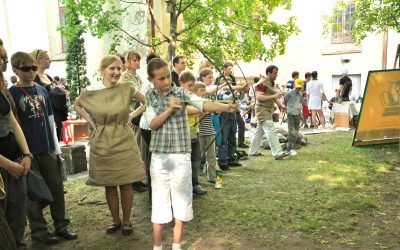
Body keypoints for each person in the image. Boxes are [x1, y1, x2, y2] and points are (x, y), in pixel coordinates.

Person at [145, 58, 238, 250]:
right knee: (160, 203)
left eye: (167, 78)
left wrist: (225, 106)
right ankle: (157, 246)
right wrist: (171, 108)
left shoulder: (181, 92)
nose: (166, 82)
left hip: (181, 156)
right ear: (151, 79)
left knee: (181, 201)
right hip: (159, 158)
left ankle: (176, 245)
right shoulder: (150, 96)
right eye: (160, 79)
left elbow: (203, 104)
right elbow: (153, 123)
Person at [74, 55, 146, 235]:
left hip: (124, 139)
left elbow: (147, 101)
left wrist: (131, 116)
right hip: (102, 141)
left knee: (126, 183)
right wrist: (91, 122)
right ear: (102, 70)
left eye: (119, 69)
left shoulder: (127, 88)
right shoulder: (90, 91)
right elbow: (76, 106)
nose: (116, 72)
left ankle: (127, 221)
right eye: (112, 69)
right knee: (110, 184)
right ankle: (116, 221)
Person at [9, 51, 77, 244]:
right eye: (26, 69)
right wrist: (23, 153)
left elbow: (49, 119)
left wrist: (56, 149)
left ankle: (61, 225)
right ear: (15, 70)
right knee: (34, 194)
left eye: (33, 68)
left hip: (47, 147)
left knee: (56, 188)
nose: (31, 72)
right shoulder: (12, 94)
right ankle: (39, 231)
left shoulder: (42, 89)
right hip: (27, 153)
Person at [0, 43, 32, 250]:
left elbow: (13, 122)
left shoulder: (1, 90)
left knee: (18, 212)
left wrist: (26, 154)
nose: (2, 61)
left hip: (16, 160)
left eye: (3, 57)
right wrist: (8, 165)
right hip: (3, 167)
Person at [248, 65, 289, 160]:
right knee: (271, 130)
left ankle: (252, 152)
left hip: (267, 109)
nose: (276, 75)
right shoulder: (261, 83)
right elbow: (259, 97)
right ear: (269, 73)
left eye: (276, 73)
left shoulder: (271, 83)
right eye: (274, 73)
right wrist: (274, 96)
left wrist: (280, 105)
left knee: (259, 132)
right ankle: (277, 153)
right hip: (262, 110)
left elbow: (273, 96)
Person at [179, 71, 207, 195]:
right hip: (185, 132)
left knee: (196, 159)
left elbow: (200, 107)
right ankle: (186, 187)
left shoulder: (190, 96)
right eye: (189, 86)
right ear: (181, 83)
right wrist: (199, 109)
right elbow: (185, 110)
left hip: (195, 130)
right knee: (185, 162)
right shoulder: (178, 95)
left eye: (193, 86)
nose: (191, 89)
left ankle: (194, 184)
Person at [31, 49, 68, 141]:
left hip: (57, 113)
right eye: (47, 59)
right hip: (47, 115)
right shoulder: (35, 78)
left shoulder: (48, 76)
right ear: (38, 61)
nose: (50, 61)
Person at [194, 82, 219, 184]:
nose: (204, 93)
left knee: (211, 156)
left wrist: (217, 107)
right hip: (199, 133)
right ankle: (195, 180)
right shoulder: (193, 102)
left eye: (205, 90)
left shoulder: (207, 101)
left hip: (210, 132)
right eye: (201, 90)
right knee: (197, 157)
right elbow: (195, 114)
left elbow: (217, 111)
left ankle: (212, 177)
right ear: (195, 92)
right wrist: (204, 111)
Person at [284, 79, 304, 156]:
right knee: (291, 131)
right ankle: (289, 148)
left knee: (296, 131)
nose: (298, 89)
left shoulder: (300, 94)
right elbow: (285, 101)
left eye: (300, 87)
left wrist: (301, 114)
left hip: (297, 113)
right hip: (290, 113)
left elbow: (300, 103)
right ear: (294, 85)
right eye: (297, 87)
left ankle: (292, 146)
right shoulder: (289, 93)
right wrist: (286, 108)